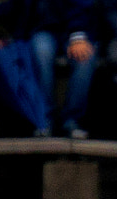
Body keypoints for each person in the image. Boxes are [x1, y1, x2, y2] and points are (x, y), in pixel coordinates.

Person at [15, 0, 101, 137]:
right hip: (43, 28)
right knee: (41, 52)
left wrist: (77, 35)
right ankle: (44, 119)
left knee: (85, 57)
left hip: (79, 27)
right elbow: (18, 6)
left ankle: (72, 120)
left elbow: (84, 5)